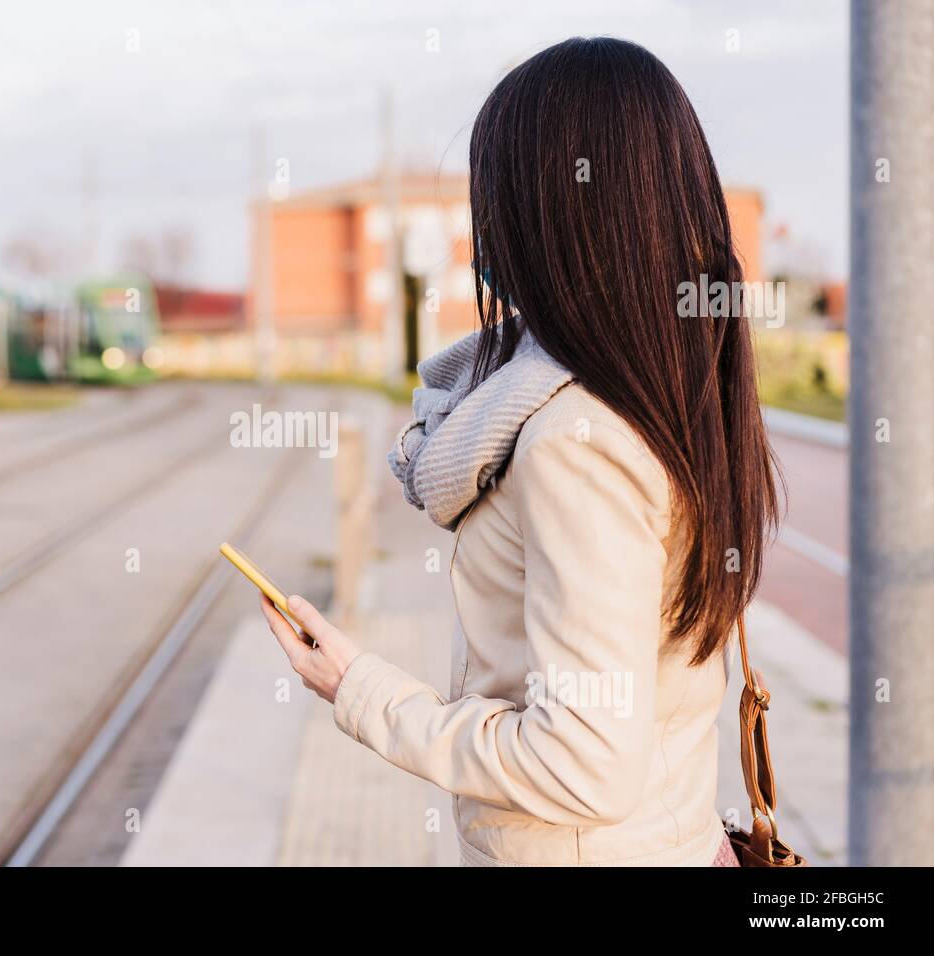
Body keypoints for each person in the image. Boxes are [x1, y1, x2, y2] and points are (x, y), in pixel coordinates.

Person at [262, 37, 779, 867]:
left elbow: (581, 767)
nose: (484, 233)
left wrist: (359, 689)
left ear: (559, 215)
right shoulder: (673, 390)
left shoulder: (576, 442)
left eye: (495, 198)